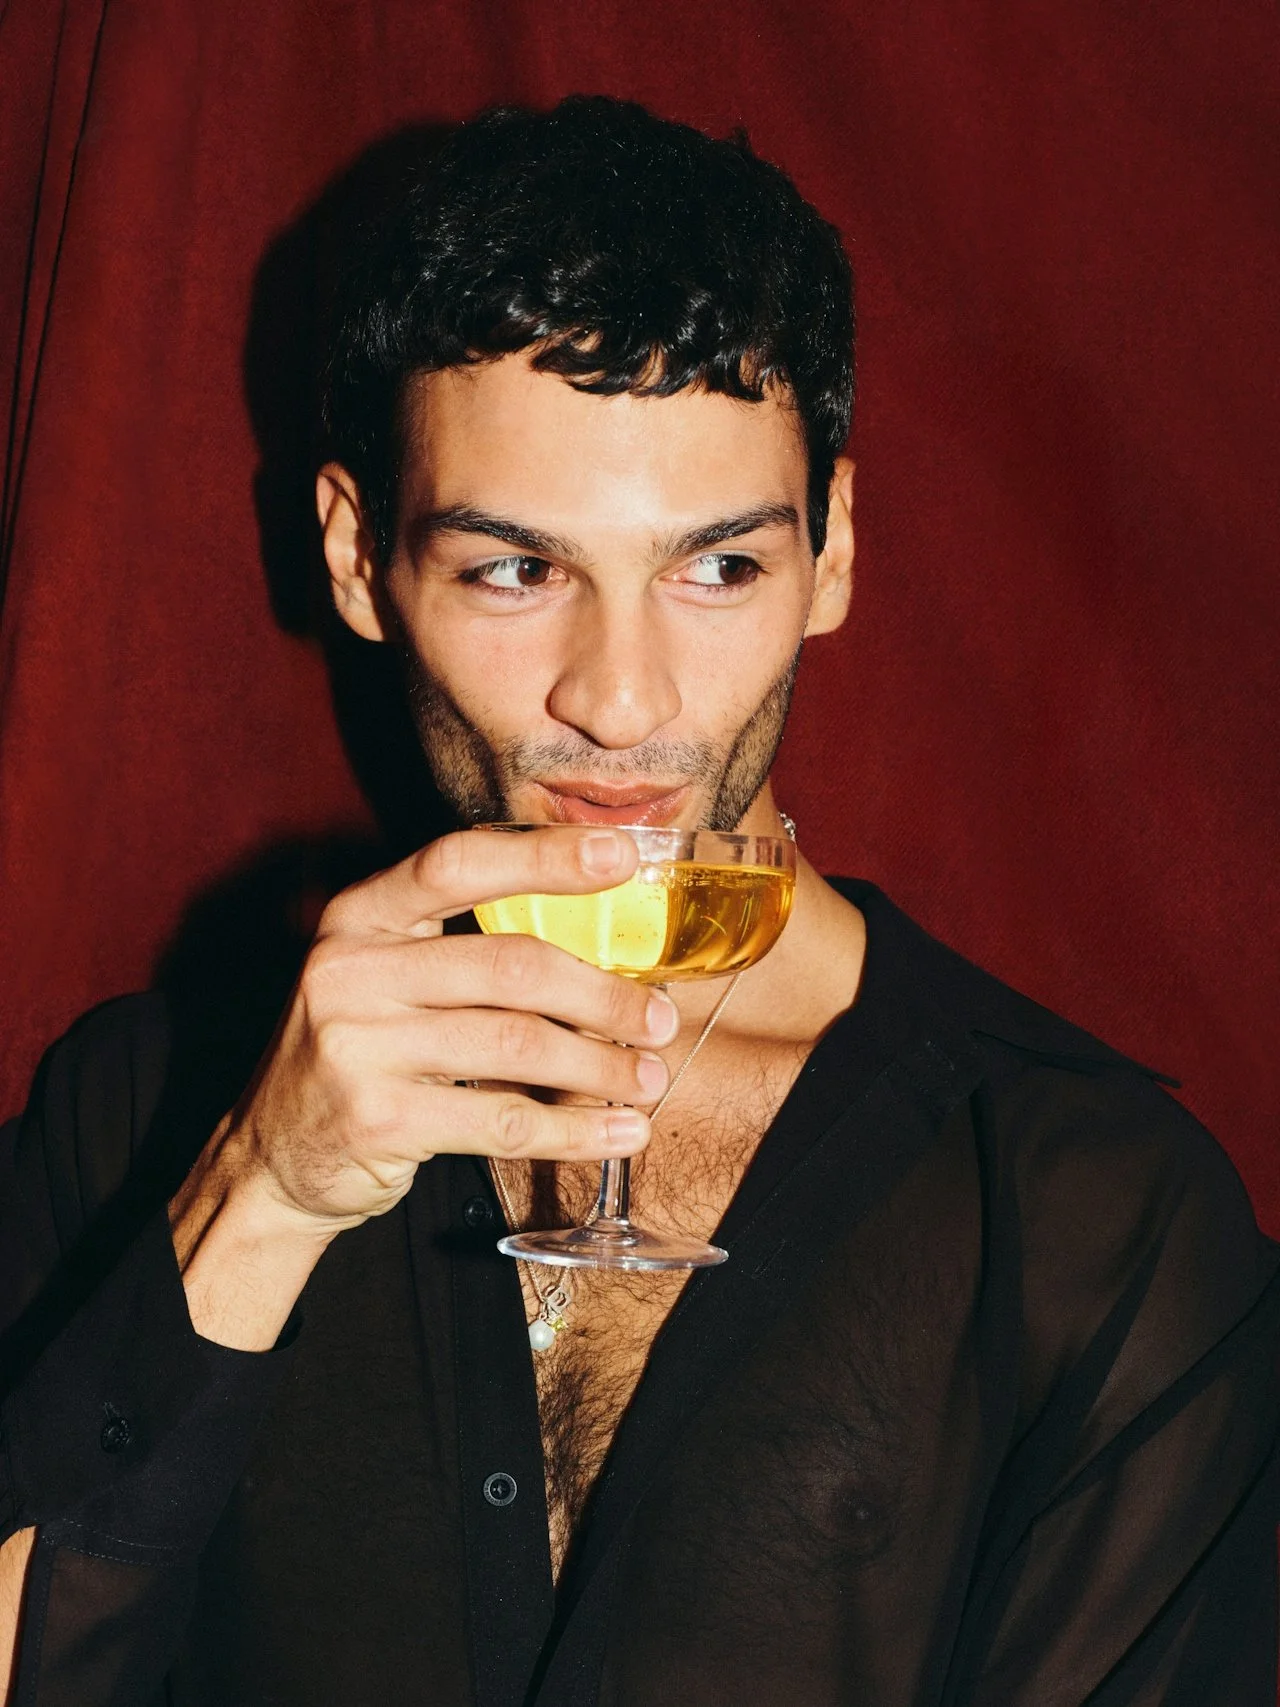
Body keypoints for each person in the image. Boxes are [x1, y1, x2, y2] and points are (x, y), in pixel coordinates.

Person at [0, 95, 1276, 1707]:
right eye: (517, 570)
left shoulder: (1093, 1213)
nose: (620, 696)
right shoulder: (139, 1119)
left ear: (834, 553)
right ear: (353, 557)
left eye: (717, 567)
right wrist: (261, 1196)